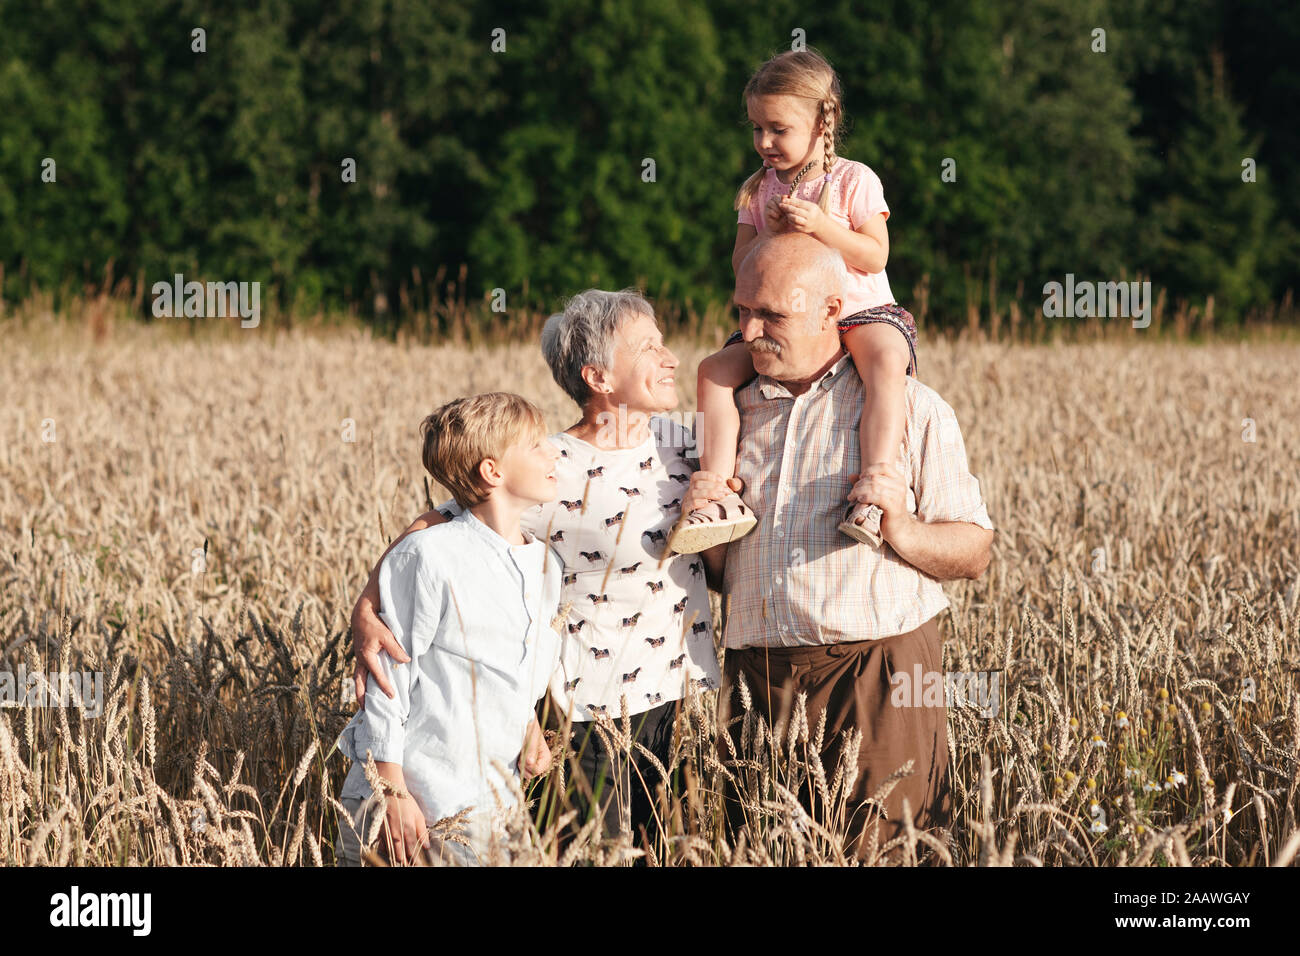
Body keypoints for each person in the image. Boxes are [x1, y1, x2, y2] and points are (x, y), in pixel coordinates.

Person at [349, 289, 720, 855]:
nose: (671, 357)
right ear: (597, 376)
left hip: (682, 700)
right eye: (649, 347)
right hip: (589, 714)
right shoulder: (547, 465)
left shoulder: (688, 443)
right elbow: (435, 527)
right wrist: (367, 607)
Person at [688, 233, 995, 864]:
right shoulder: (729, 414)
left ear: (833, 309)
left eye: (772, 313)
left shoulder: (910, 407)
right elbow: (720, 575)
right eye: (741, 310)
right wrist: (706, 525)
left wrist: (902, 528)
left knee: (888, 854)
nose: (749, 330)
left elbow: (975, 551)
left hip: (879, 674)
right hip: (758, 679)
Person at [672, 48, 916, 554]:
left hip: (858, 310)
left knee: (889, 361)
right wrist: (771, 240)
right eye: (757, 128)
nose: (764, 142)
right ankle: (718, 493)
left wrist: (824, 228)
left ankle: (874, 486)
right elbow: (741, 267)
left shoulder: (854, 180)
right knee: (713, 371)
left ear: (822, 122)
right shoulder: (757, 191)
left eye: (778, 129)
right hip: (780, 320)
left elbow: (875, 256)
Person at [335, 392, 563, 866]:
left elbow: (514, 664)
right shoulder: (431, 555)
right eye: (537, 445)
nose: (553, 452)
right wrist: (390, 792)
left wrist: (528, 725)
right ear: (492, 471)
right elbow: (388, 678)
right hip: (417, 801)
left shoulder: (547, 565)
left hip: (491, 809)